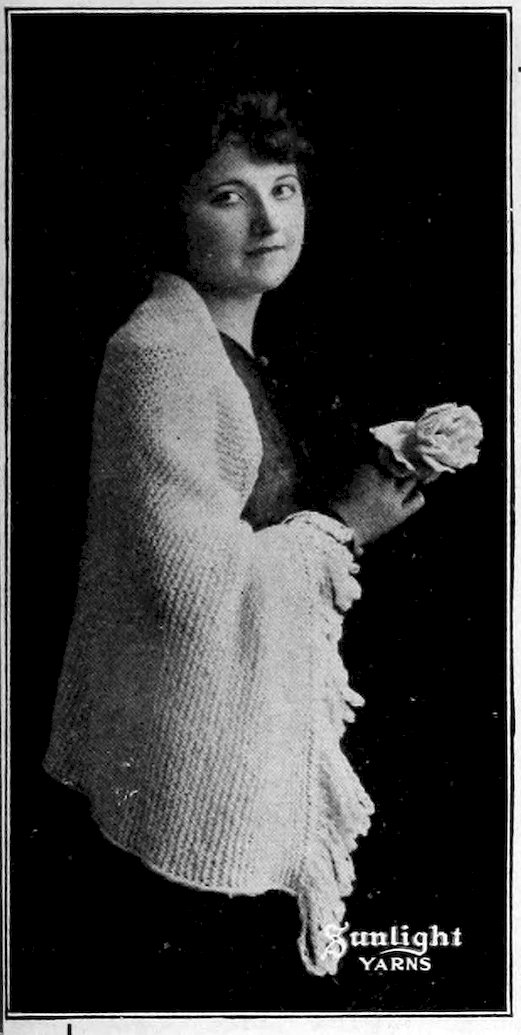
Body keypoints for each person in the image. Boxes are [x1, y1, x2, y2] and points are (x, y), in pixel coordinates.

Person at [43, 88, 424, 1006]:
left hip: (222, 753)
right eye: (228, 196)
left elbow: (245, 516)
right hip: (185, 783)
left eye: (283, 189)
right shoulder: (161, 352)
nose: (267, 220)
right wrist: (343, 522)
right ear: (172, 213)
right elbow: (197, 584)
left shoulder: (219, 347)